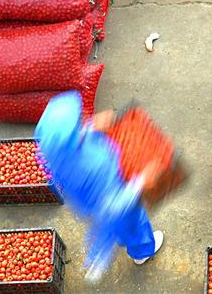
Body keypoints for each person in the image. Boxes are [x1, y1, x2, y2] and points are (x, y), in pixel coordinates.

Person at [35, 91, 165, 282]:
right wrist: (141, 182)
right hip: (115, 201)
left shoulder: (56, 154)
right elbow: (113, 205)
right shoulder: (90, 169)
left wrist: (90, 128)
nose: (82, 121)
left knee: (115, 228)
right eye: (77, 123)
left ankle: (120, 238)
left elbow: (73, 142)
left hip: (89, 205)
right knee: (133, 224)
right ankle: (142, 252)